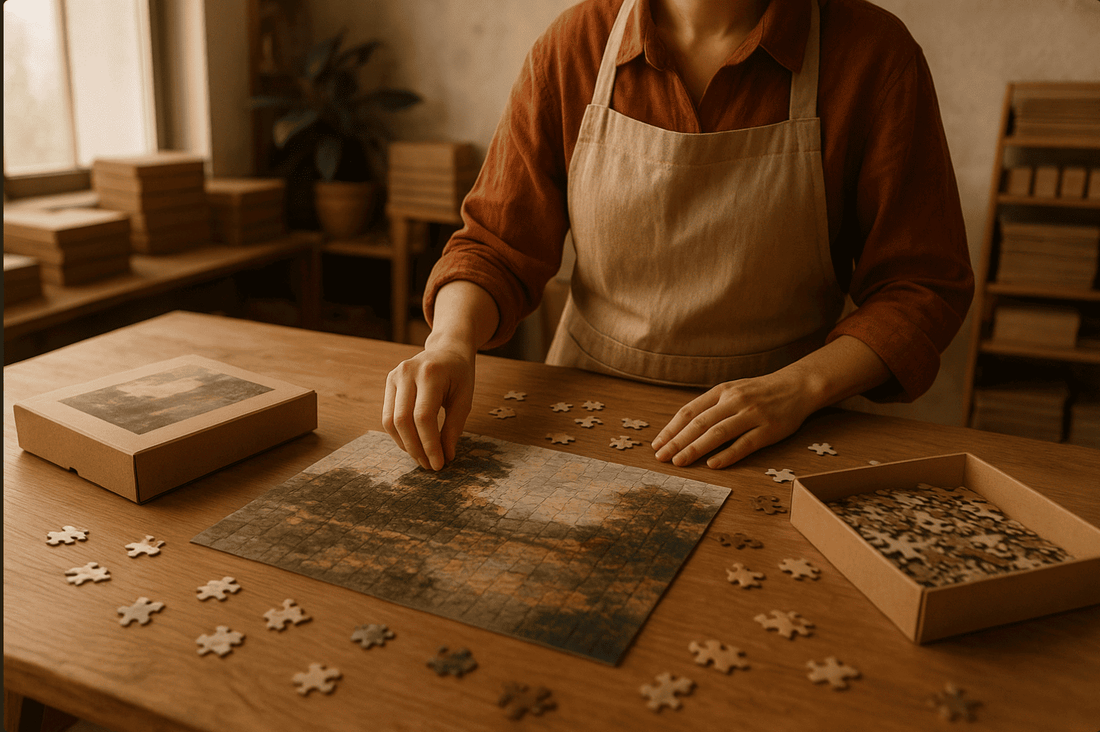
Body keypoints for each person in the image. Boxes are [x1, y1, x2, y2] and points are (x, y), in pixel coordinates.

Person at [383, 0, 974, 472]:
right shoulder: (574, 45)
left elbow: (920, 285)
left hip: (784, 431)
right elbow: (495, 246)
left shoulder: (874, 55)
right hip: (580, 413)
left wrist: (798, 388)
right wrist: (450, 341)